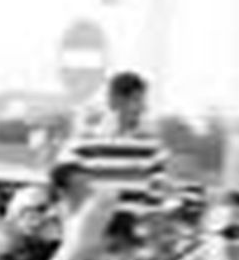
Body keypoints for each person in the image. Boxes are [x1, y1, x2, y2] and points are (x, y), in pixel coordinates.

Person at [56, 69, 167, 213]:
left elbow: (156, 197)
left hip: (130, 232)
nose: (142, 108)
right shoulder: (82, 145)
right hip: (92, 231)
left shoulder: (151, 149)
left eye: (142, 101)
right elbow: (62, 189)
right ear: (114, 101)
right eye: (135, 100)